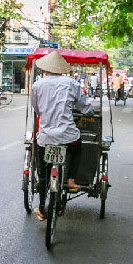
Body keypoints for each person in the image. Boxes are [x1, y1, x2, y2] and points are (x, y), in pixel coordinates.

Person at [30, 50, 93, 220]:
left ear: (46, 69)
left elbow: (36, 109)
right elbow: (86, 106)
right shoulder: (71, 84)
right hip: (68, 136)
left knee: (43, 174)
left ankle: (42, 209)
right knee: (77, 148)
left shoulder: (37, 85)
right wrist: (89, 112)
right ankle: (71, 179)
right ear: (61, 69)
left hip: (45, 138)